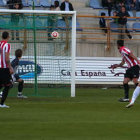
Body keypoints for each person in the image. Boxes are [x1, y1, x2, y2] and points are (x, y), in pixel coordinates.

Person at [0, 31, 13, 108]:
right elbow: (7, 58)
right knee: (8, 85)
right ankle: (1, 104)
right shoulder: (7, 45)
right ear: (8, 37)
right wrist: (10, 68)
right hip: (4, 68)